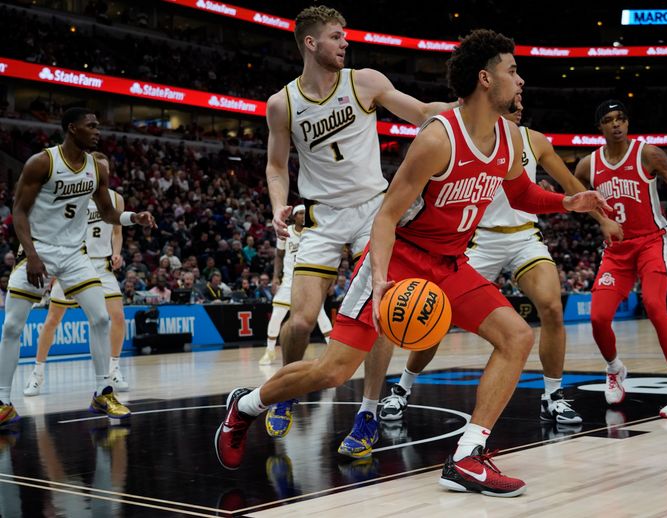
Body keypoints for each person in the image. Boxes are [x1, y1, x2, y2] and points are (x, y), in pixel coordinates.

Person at [215, 28, 608, 496]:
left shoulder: (508, 137)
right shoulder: (439, 139)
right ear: (485, 79)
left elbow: (521, 193)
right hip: (401, 257)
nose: (520, 80)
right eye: (512, 70)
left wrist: (567, 203)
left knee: (516, 336)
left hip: (449, 262)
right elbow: (386, 216)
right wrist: (379, 280)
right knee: (334, 370)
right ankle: (247, 405)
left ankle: (467, 456)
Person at [263, 5, 457, 445]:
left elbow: (424, 111)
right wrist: (278, 204)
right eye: (336, 36)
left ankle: (367, 413)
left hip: (374, 210)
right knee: (299, 322)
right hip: (321, 217)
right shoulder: (282, 104)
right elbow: (277, 166)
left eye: (345, 36)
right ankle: (284, 393)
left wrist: (469, 107)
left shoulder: (364, 81)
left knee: (384, 314)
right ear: (311, 43)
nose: (345, 43)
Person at [375, 101, 624, 428]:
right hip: (478, 238)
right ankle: (403, 387)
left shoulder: (532, 140)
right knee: (436, 310)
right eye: (513, 90)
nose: (519, 100)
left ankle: (553, 395)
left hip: (523, 236)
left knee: (551, 306)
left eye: (522, 94)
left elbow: (569, 185)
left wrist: (601, 219)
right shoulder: (467, 137)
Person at [574, 100, 667, 419]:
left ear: (627, 123)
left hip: (650, 243)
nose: (616, 124)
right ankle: (615, 369)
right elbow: (579, 199)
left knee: (655, 305)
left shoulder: (648, 154)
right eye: (608, 119)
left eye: (621, 118)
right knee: (598, 318)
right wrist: (601, 220)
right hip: (616, 249)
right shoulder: (587, 166)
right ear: (599, 127)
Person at [0, 108, 154, 427]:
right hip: (38, 250)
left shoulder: (97, 169)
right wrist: (31, 254)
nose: (98, 131)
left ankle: (102, 391)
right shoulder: (42, 162)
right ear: (72, 129)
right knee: (13, 326)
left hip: (74, 254)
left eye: (98, 125)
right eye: (91, 126)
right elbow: (18, 211)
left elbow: (109, 213)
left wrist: (133, 218)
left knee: (100, 318)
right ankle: (2, 400)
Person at [23, 152, 130, 397]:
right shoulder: (73, 196)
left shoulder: (115, 198)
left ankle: (114, 369)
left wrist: (117, 252)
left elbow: (117, 232)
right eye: (97, 168)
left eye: (105, 169)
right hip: (73, 263)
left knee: (118, 317)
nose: (102, 173)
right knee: (52, 320)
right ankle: (37, 373)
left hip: (101, 267)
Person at [260, 206, 332, 365]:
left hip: (308, 279)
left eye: (304, 213)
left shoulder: (313, 232)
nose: (303, 216)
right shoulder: (286, 231)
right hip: (288, 280)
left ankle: (332, 349)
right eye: (299, 213)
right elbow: (279, 256)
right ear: (294, 216)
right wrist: (275, 278)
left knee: (320, 314)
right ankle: (270, 351)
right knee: (277, 314)